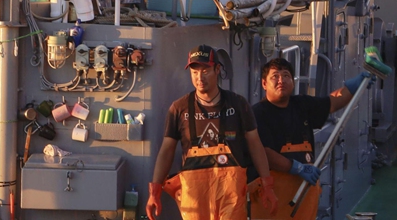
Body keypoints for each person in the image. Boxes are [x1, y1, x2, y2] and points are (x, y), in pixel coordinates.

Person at [147, 45, 279, 220]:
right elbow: (166, 150)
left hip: (231, 195)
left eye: (205, 71)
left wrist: (267, 184)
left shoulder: (238, 104)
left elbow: (255, 145)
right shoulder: (179, 108)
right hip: (194, 197)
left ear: (217, 70)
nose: (199, 77)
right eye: (194, 72)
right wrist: (155, 191)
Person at [248, 58, 371, 220]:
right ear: (264, 84)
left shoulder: (301, 104)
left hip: (304, 194)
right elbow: (264, 154)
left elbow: (332, 103)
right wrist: (297, 168)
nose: (281, 80)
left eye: (286, 76)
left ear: (292, 82)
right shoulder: (257, 114)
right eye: (275, 76)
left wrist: (354, 87)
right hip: (271, 198)